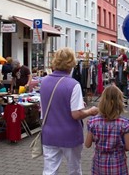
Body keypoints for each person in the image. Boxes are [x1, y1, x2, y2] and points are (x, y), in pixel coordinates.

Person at [40, 47, 99, 175]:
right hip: (69, 134)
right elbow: (76, 114)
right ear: (71, 63)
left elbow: (45, 107)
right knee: (74, 170)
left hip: (49, 133)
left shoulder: (44, 82)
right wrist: (90, 111)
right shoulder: (73, 84)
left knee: (49, 171)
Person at [85, 85, 129, 174]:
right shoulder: (124, 123)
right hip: (118, 164)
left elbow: (87, 144)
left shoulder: (93, 122)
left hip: (99, 164)